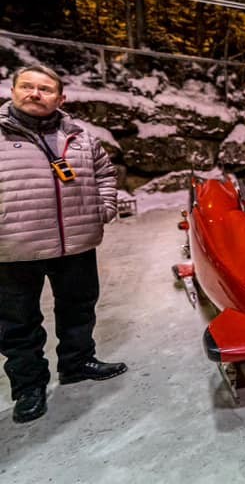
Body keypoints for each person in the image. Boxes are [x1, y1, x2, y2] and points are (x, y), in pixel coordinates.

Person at [0, 65, 127, 424]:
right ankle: (28, 386)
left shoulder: (79, 136)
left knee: (79, 307)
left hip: (76, 241)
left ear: (61, 97)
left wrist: (103, 207)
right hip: (14, 244)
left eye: (45, 89)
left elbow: (104, 173)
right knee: (18, 321)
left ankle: (77, 362)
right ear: (13, 90)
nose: (35, 94)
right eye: (27, 86)